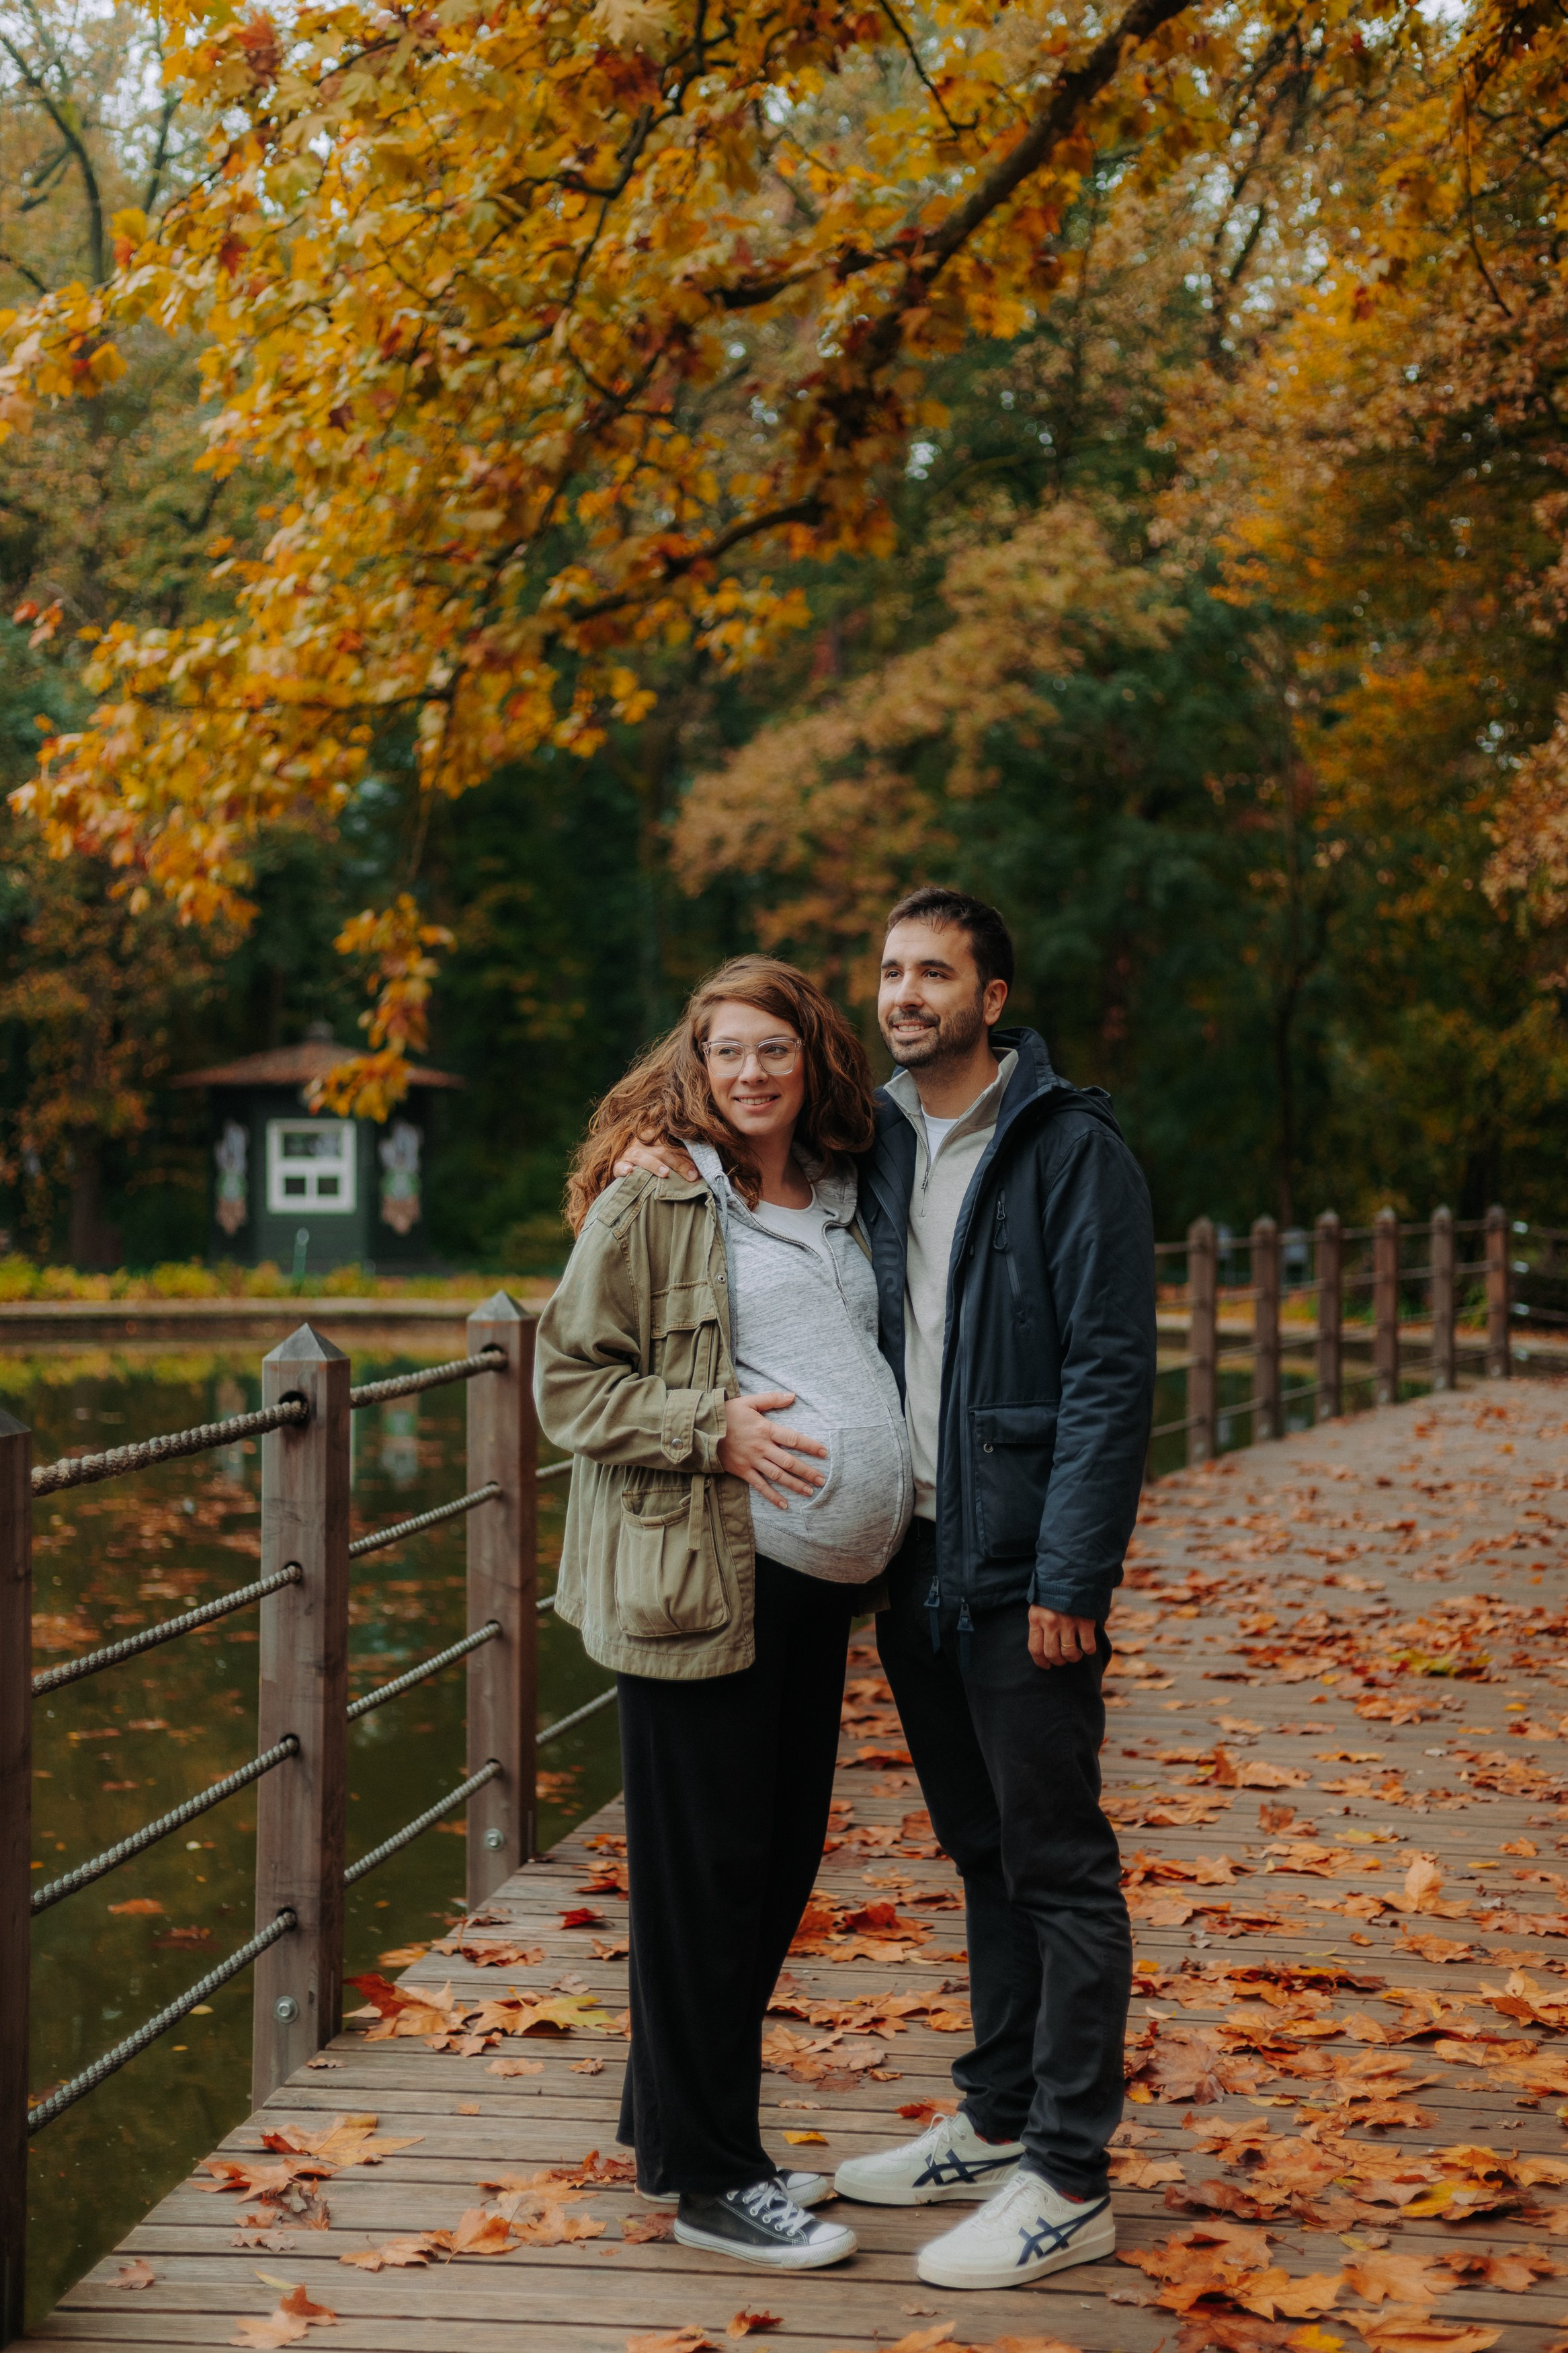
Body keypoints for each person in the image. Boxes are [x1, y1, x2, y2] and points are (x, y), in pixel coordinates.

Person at [614, 887, 1155, 2295]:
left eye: (938, 974)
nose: (909, 993)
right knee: (980, 1844)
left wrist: (1074, 1567)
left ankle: (1069, 2170)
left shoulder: (1068, 1149)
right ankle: (992, 2112)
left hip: (1023, 1564)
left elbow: (1108, 1374)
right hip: (911, 1565)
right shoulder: (881, 1143)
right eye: (893, 972)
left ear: (994, 994)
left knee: (1056, 1862)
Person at [535, 955, 913, 2274]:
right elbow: (569, 1385)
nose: (750, 1073)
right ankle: (712, 2178)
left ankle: (678, 2124)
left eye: (774, 1049)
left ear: (811, 1055)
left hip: (817, 1590)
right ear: (693, 1067)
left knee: (775, 1865)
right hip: (707, 1578)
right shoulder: (658, 1197)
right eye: (725, 1052)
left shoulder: (835, 1190)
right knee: (708, 1881)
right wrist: (712, 1429)